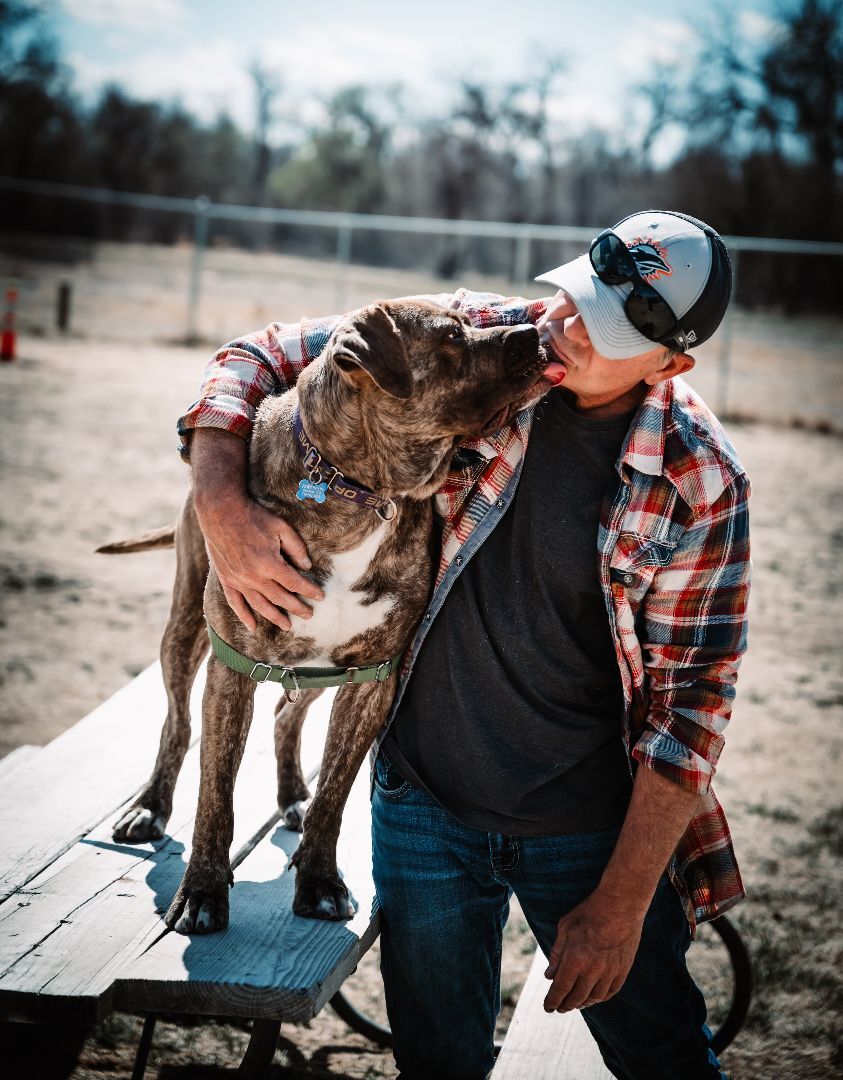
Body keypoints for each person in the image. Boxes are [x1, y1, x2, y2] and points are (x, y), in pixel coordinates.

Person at [179, 210, 750, 1080]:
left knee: (662, 1056)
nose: (561, 328)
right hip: (423, 809)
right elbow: (254, 354)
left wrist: (622, 903)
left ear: (670, 364)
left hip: (583, 827)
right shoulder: (477, 338)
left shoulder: (698, 481)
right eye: (572, 298)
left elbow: (689, 714)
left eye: (605, 329)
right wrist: (222, 502)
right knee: (437, 1062)